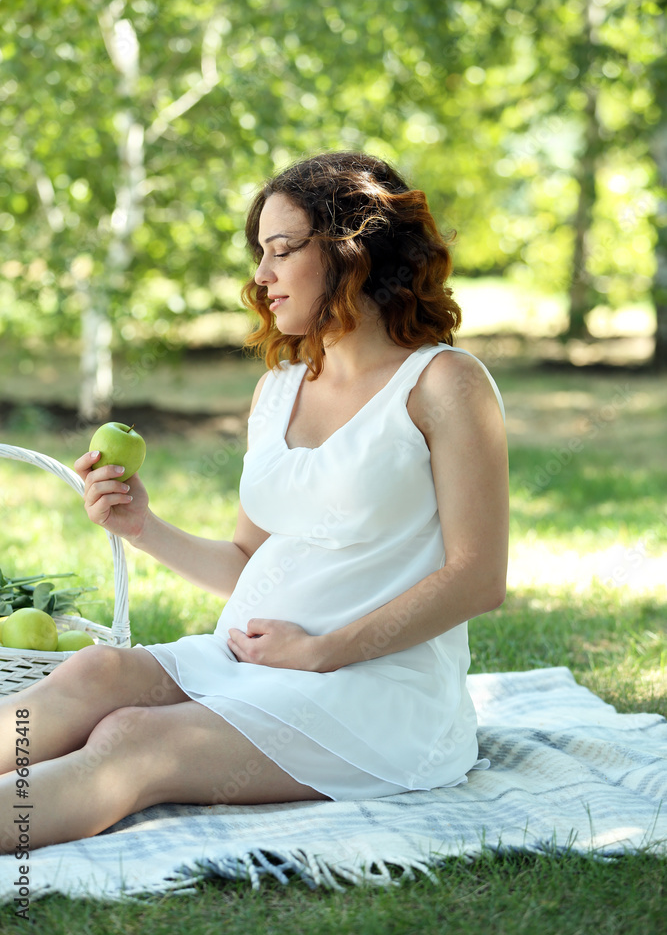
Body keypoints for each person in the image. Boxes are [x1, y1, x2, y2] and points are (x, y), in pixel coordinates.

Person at [0, 151, 508, 853]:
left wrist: (322, 651)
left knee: (133, 738)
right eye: (259, 253)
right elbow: (249, 563)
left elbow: (478, 579)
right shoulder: (278, 388)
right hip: (247, 662)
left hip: (375, 694)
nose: (260, 276)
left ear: (349, 251)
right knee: (95, 670)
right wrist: (141, 526)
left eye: (280, 250)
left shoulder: (444, 383)